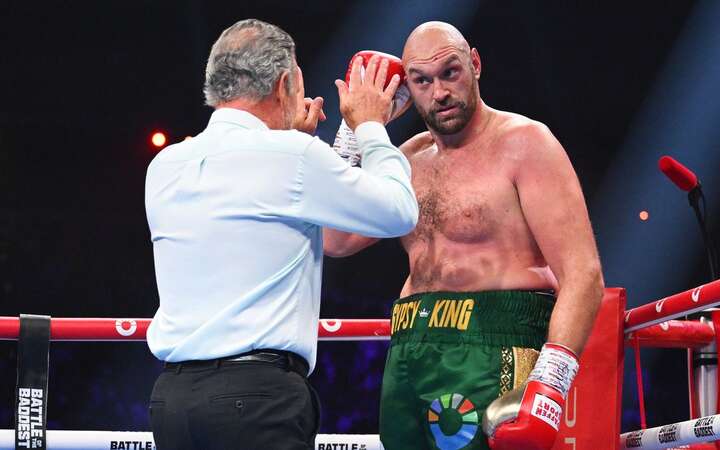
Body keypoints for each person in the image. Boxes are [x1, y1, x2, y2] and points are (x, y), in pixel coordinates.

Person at [324, 22, 604, 450]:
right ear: (407, 89)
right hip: (410, 350)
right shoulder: (408, 158)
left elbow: (583, 274)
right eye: (421, 81)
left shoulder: (526, 144)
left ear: (474, 64)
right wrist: (358, 129)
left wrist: (549, 386)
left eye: (450, 73)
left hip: (496, 346)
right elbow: (335, 239)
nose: (439, 92)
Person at [144, 19, 418, 450]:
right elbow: (399, 210)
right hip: (256, 403)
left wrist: (300, 144)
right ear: (284, 84)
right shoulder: (292, 158)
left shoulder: (166, 166)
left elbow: (316, 231)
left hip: (173, 404)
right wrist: (369, 127)